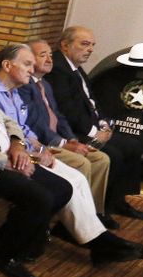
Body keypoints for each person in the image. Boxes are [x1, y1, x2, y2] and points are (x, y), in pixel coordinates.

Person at [0, 46, 143, 277]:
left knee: (63, 188)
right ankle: (4, 255)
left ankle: (10, 237)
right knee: (39, 197)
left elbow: (9, 122)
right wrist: (11, 161)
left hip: (8, 156)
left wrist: (18, 146)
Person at [0, 44, 143, 263]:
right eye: (27, 64)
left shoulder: (14, 92)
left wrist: (41, 149)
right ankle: (96, 242)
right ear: (6, 65)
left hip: (29, 150)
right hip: (8, 158)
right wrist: (36, 149)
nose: (32, 70)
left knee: (78, 179)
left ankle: (96, 237)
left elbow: (25, 130)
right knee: (63, 185)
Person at [46, 25, 143, 220]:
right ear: (65, 45)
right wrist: (94, 133)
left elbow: (91, 101)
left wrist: (104, 124)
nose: (90, 49)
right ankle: (101, 208)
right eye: (84, 44)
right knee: (114, 155)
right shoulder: (58, 69)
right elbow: (67, 110)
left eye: (92, 45)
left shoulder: (75, 67)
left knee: (133, 146)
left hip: (91, 127)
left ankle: (118, 200)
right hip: (73, 132)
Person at [22, 39, 113, 211]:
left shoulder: (46, 84)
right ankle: (71, 218)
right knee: (82, 162)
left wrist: (71, 139)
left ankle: (93, 213)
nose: (50, 59)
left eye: (50, 55)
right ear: (29, 59)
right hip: (42, 143)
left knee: (102, 159)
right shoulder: (24, 85)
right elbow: (37, 125)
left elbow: (59, 117)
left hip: (59, 138)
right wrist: (64, 144)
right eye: (43, 55)